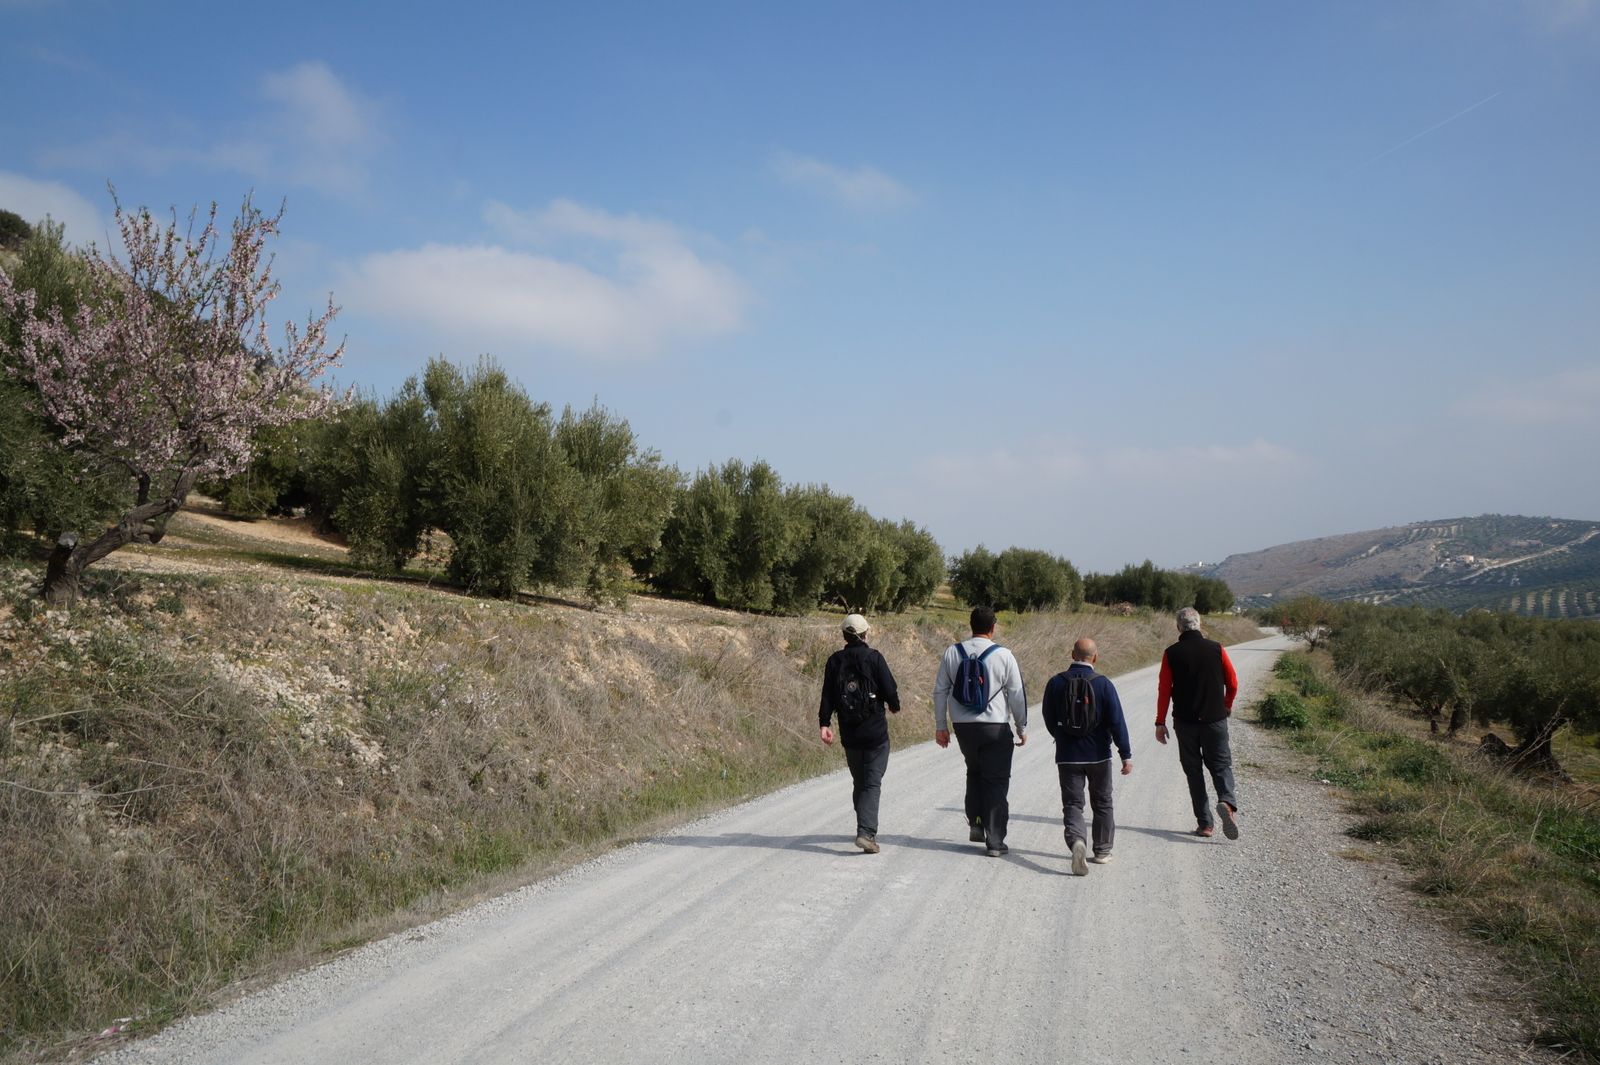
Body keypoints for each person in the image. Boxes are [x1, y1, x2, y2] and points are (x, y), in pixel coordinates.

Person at [933, 606, 1028, 856]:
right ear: (993, 628)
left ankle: (976, 822)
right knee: (995, 780)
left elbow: (940, 690)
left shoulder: (952, 652)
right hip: (994, 727)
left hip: (963, 727)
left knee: (974, 771)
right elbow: (1017, 694)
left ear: (971, 625)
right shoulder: (1004, 655)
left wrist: (941, 726)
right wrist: (1021, 726)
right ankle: (995, 840)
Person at [1042, 637, 1132, 875]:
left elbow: (1048, 718)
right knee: (1103, 802)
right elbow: (1117, 722)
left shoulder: (1055, 683)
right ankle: (1102, 851)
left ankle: (1077, 841)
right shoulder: (1104, 684)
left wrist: (1062, 736)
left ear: (1072, 655)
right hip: (1099, 756)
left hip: (1068, 755)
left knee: (1073, 804)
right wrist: (1125, 754)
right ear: (1095, 657)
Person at [1155, 606, 1241, 839]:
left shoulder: (1171, 653)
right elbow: (1232, 683)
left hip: (1185, 722)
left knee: (1194, 772)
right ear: (1200, 625)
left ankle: (1205, 825)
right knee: (1221, 765)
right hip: (1215, 719)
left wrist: (1160, 722)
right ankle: (1227, 802)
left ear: (1178, 627)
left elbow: (1164, 690)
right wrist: (1227, 705)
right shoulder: (1217, 649)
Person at [818, 613, 902, 854]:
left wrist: (824, 724)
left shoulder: (834, 661)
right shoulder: (874, 658)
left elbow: (827, 695)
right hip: (875, 732)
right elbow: (889, 688)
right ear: (865, 634)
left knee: (861, 781)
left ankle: (863, 826)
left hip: (849, 732)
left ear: (844, 635)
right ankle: (865, 833)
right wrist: (894, 706)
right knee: (872, 783)